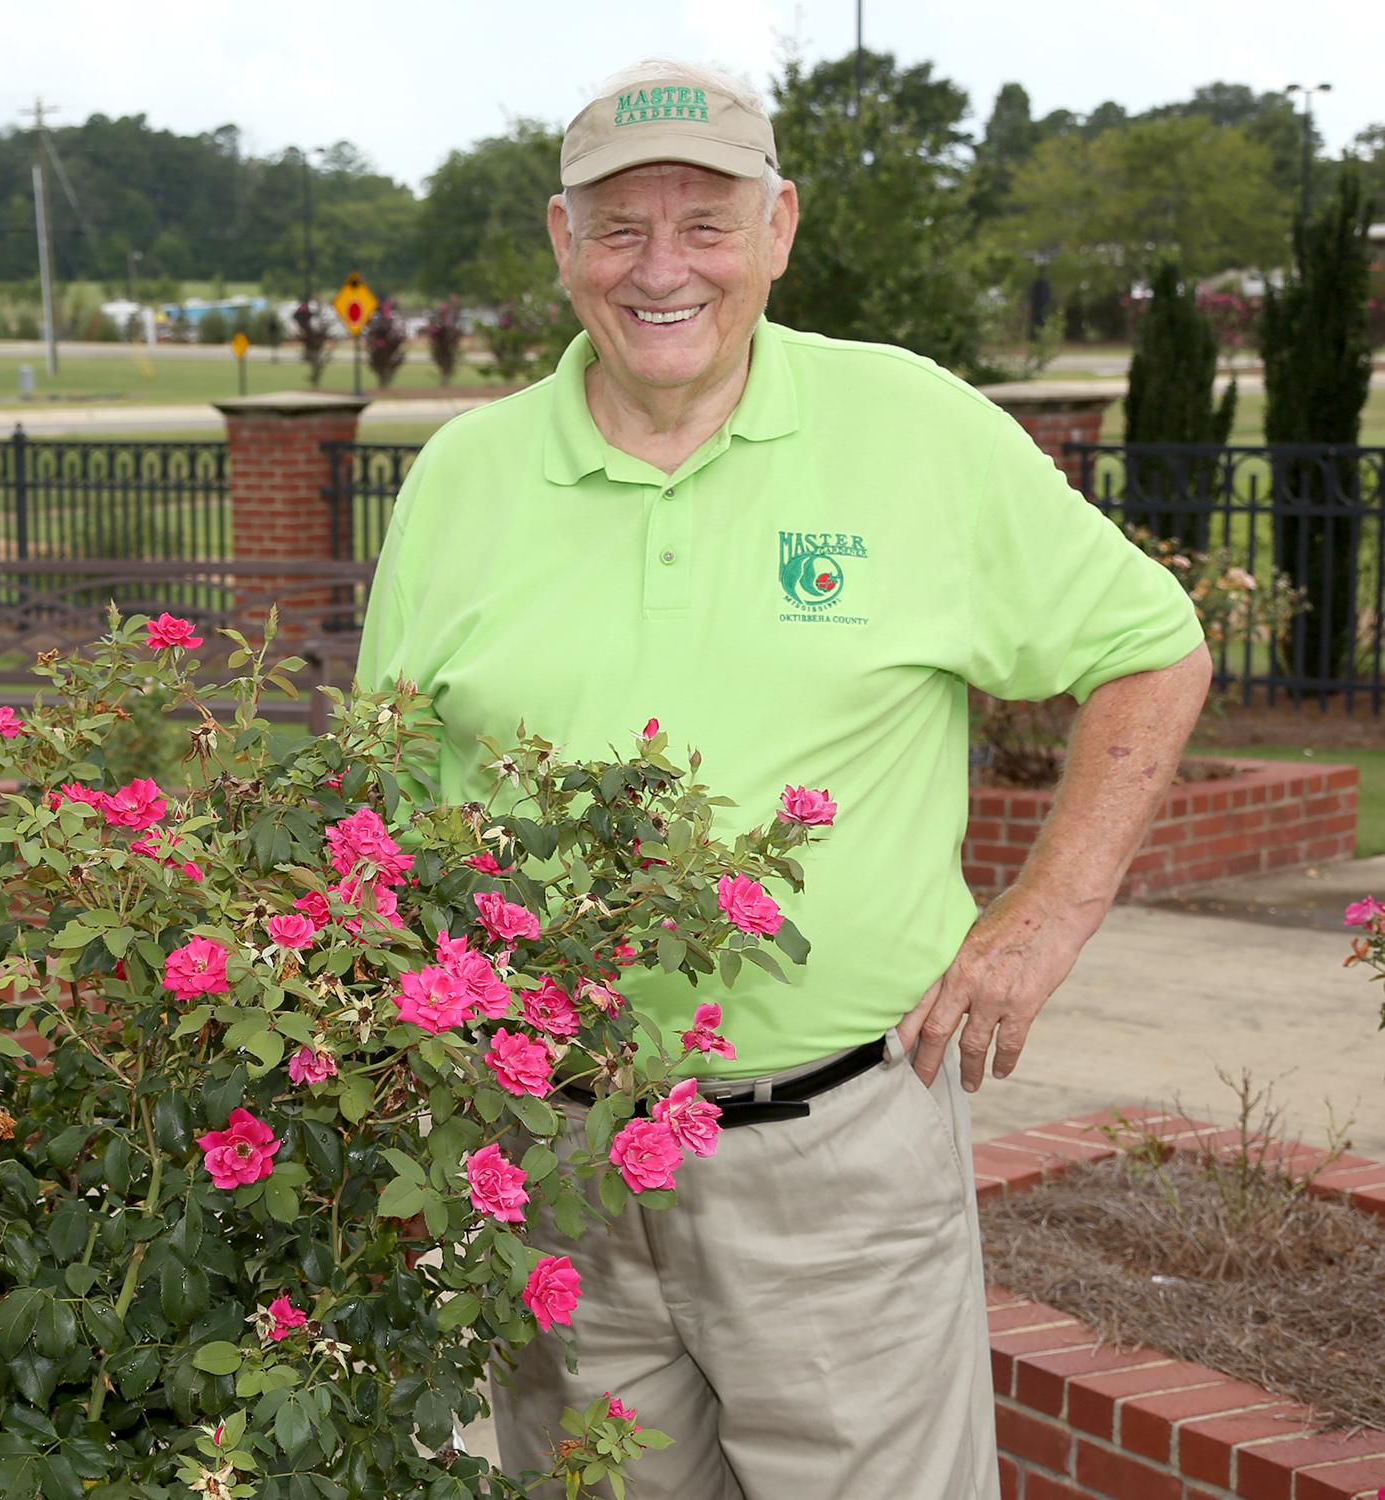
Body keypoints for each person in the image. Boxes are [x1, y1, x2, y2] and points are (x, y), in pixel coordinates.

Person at [353, 58, 1211, 1499]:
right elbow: (382, 794)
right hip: (551, 1160)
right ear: (562, 245)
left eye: (707, 222)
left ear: (780, 230)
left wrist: (1049, 910)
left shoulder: (914, 430)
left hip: (838, 1162)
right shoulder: (466, 474)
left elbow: (1151, 645)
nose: (662, 268)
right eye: (620, 228)